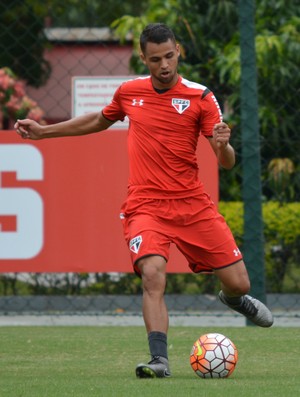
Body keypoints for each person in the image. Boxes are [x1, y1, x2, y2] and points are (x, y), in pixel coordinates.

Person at [15, 23, 273, 379]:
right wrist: (45, 132)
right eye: (155, 59)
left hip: (192, 205)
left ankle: (230, 299)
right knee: (152, 275)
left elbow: (227, 161)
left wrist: (222, 145)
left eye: (169, 56)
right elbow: (98, 120)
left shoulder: (201, 97)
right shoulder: (129, 92)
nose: (164, 65)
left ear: (178, 50)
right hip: (146, 206)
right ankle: (159, 360)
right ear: (144, 58)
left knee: (240, 284)